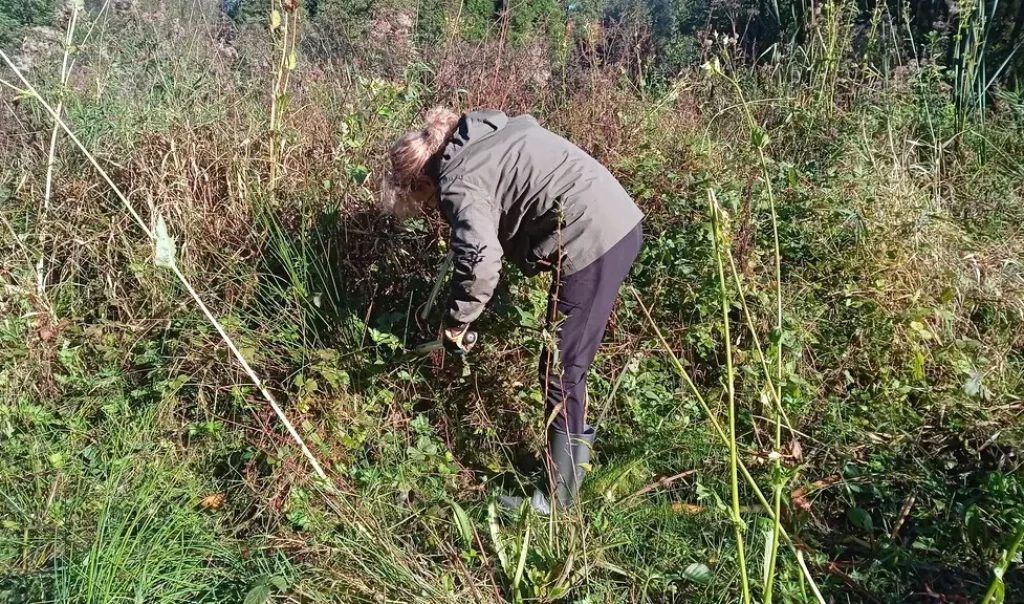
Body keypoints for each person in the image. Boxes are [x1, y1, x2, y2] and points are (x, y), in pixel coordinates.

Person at [384, 107, 643, 511]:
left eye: (421, 200)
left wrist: (457, 321)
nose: (428, 208)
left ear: (420, 180)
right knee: (564, 361)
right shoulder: (483, 139)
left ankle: (558, 503)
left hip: (593, 236)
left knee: (562, 366)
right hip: (614, 217)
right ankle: (563, 475)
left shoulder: (457, 180)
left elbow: (483, 260)